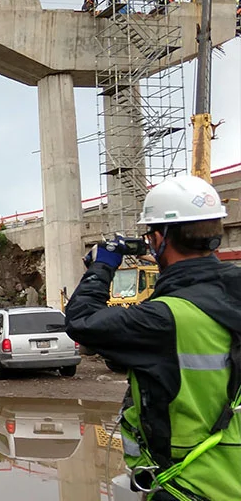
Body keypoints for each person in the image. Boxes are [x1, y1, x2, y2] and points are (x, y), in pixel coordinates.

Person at [65, 174, 241, 501]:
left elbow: (81, 320)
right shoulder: (225, 294)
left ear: (160, 239)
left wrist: (101, 268)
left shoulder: (164, 319)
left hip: (188, 484)